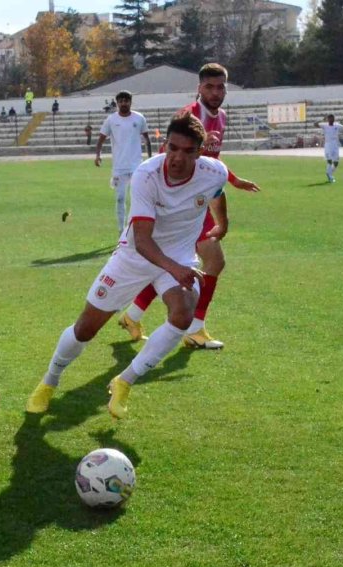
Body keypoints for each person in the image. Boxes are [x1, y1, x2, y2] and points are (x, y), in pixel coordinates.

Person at [26, 112, 228, 419]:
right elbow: (143, 240)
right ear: (164, 145)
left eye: (188, 151)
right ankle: (49, 381)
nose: (177, 157)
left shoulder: (214, 172)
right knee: (85, 329)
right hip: (134, 257)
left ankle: (124, 381)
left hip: (177, 258)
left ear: (199, 153)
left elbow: (217, 192)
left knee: (183, 312)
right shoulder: (146, 175)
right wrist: (174, 267)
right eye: (172, 148)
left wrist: (222, 224)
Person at [119, 63, 260, 351]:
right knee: (213, 262)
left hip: (196, 202)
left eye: (221, 86)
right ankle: (194, 329)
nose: (216, 92)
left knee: (178, 264)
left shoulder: (220, 118)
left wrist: (233, 180)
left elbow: (211, 163)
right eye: (209, 86)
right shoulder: (187, 117)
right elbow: (165, 159)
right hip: (175, 203)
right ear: (199, 88)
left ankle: (133, 316)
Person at [94, 90, 151, 235]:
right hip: (119, 167)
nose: (124, 103)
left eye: (126, 101)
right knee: (120, 199)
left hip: (137, 166)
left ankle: (133, 228)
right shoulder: (111, 120)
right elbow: (101, 138)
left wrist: (150, 159)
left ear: (130, 102)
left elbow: (147, 139)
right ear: (117, 102)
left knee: (138, 198)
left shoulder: (139, 118)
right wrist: (97, 155)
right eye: (121, 101)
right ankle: (121, 230)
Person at [314, 114, 343, 182]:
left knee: (336, 162)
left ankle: (329, 173)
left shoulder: (337, 125)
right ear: (328, 119)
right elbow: (315, 124)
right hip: (328, 145)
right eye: (330, 118)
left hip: (335, 145)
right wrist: (322, 119)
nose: (331, 120)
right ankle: (330, 176)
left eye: (332, 118)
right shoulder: (325, 125)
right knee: (329, 161)